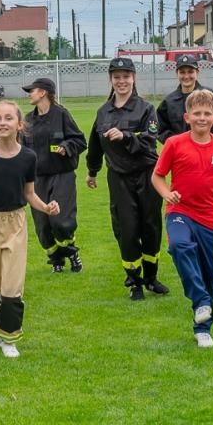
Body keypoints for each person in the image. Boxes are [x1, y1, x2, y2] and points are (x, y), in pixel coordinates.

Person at [0, 101, 60, 358]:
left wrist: (46, 208)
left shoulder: (28, 157)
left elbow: (30, 194)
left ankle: (9, 337)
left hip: (15, 223)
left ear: (19, 124)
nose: (2, 122)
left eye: (8, 118)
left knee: (12, 281)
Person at [152, 88, 213, 347]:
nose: (202, 117)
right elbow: (157, 175)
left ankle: (203, 329)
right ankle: (200, 300)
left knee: (208, 273)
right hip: (180, 212)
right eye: (197, 113)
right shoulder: (174, 144)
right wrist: (167, 194)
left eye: (207, 113)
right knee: (179, 246)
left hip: (210, 218)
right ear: (187, 117)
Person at [86, 57, 166, 299]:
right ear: (110, 80)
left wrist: (126, 136)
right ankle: (134, 281)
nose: (122, 81)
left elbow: (150, 140)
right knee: (127, 229)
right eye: (117, 77)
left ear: (134, 79)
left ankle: (151, 277)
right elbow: (95, 145)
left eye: (126, 76)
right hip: (119, 178)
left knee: (150, 226)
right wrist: (92, 171)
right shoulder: (103, 112)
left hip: (146, 175)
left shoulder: (146, 109)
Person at [23, 76, 86, 272]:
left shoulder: (62, 115)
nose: (29, 95)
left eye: (32, 91)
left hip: (62, 175)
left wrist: (66, 146)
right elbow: (20, 148)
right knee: (42, 225)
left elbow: (80, 140)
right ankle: (56, 260)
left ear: (43, 92)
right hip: (37, 179)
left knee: (60, 221)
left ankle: (72, 252)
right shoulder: (28, 120)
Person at [158, 55, 213, 139]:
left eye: (190, 72)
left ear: (197, 72)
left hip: (206, 148)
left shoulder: (211, 96)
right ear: (176, 73)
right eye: (182, 72)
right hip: (180, 151)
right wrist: (178, 143)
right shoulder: (168, 102)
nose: (186, 76)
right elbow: (161, 129)